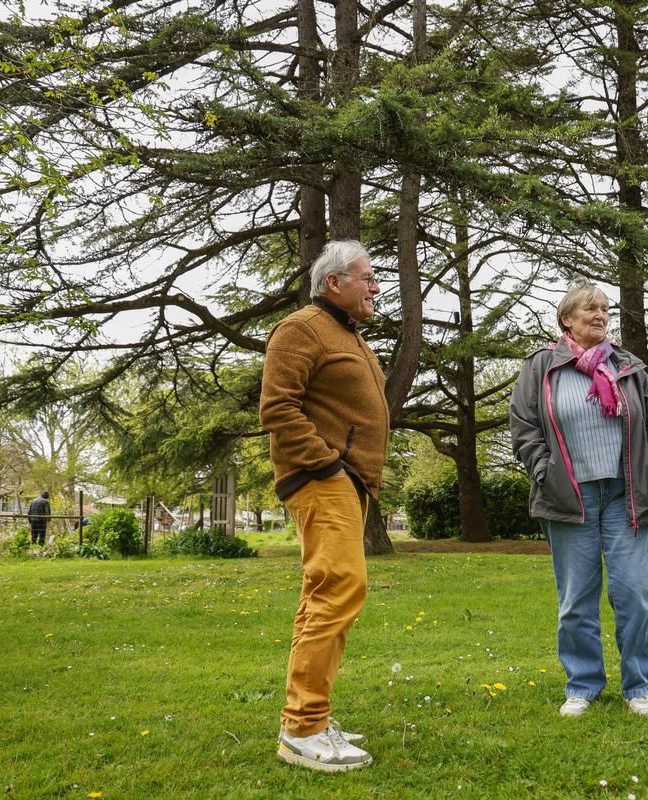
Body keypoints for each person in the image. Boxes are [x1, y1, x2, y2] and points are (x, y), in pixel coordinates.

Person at [510, 281, 648, 718]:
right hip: (569, 496)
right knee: (576, 598)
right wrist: (543, 470)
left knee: (634, 594)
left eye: (604, 309)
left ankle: (638, 687)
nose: (600, 315)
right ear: (567, 319)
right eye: (589, 309)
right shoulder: (541, 366)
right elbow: (524, 426)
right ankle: (582, 685)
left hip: (627, 495)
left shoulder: (629, 365)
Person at [259, 240, 389, 772]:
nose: (376, 287)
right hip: (322, 479)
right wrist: (327, 464)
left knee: (325, 593)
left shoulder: (347, 335)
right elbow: (277, 407)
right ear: (333, 282)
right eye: (368, 277)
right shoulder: (301, 329)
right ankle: (304, 728)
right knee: (339, 589)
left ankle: (308, 715)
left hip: (348, 482)